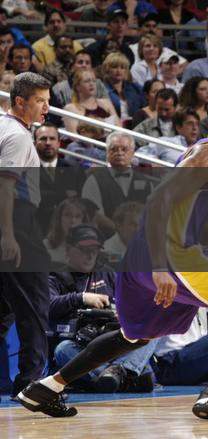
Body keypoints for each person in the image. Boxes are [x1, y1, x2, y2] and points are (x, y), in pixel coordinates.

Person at [18, 90, 208, 421]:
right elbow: (159, 200)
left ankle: (47, 387)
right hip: (170, 257)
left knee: (133, 337)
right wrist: (160, 267)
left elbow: (205, 231)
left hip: (140, 257)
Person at [49, 224, 157, 393]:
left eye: (94, 250)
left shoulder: (108, 274)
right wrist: (81, 298)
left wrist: (123, 313)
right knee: (62, 350)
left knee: (153, 327)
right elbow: (47, 305)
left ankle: (117, 373)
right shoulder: (56, 277)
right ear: (68, 250)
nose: (90, 255)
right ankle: (128, 376)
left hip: (114, 343)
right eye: (84, 250)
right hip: (80, 346)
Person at [0, 72, 52, 398]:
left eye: (48, 101)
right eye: (40, 101)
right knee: (34, 305)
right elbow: (5, 186)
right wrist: (8, 236)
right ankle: (30, 382)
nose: (46, 108)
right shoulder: (18, 136)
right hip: (17, 224)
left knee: (4, 307)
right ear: (20, 102)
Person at [100, 52, 145, 127]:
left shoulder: (135, 87)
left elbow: (144, 107)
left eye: (122, 67)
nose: (119, 70)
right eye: (114, 67)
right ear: (107, 69)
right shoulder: (102, 89)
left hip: (135, 126)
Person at [43, 198, 89, 265]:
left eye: (78, 216)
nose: (73, 221)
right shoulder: (46, 245)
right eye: (67, 215)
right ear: (59, 218)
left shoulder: (90, 246)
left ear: (83, 221)